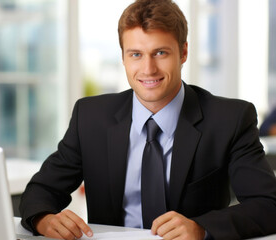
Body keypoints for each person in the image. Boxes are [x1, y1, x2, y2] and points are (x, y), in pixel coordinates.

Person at [19, 0, 276, 239]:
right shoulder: (90, 117)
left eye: (161, 53)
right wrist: (44, 219)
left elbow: (268, 204)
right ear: (122, 57)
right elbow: (40, 191)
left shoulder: (229, 119)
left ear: (183, 52)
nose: (148, 69)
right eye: (136, 54)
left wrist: (202, 228)